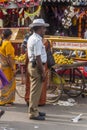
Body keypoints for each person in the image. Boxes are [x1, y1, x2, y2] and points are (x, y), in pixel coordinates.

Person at [27, 18, 49, 120]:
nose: (44, 30)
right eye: (43, 28)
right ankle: (33, 112)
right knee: (35, 91)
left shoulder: (34, 38)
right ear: (39, 28)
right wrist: (43, 71)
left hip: (34, 65)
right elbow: (38, 57)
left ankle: (35, 110)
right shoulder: (36, 40)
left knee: (36, 90)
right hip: (37, 66)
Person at [0, 29, 16, 106]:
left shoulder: (1, 42)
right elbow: (9, 57)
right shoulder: (7, 43)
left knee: (3, 82)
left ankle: (8, 100)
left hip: (2, 66)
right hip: (8, 67)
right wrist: (13, 68)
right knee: (8, 84)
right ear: (9, 35)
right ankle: (4, 101)